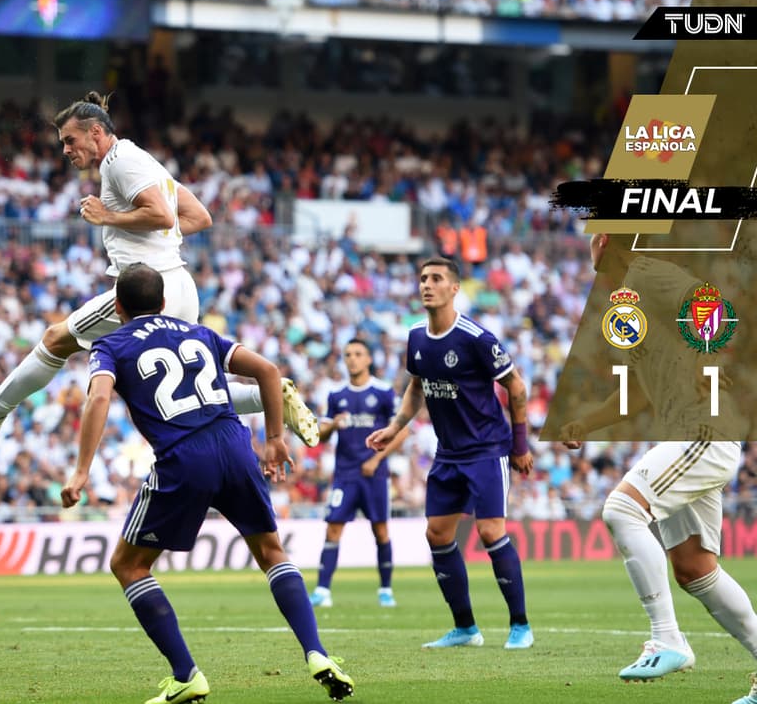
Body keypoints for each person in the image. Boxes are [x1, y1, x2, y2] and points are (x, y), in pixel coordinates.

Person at [0, 91, 319, 448]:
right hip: (178, 285)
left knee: (57, 340)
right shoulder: (139, 160)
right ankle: (269, 399)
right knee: (177, 389)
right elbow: (197, 217)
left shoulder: (119, 162)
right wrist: (151, 235)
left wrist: (109, 216)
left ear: (97, 133)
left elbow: (162, 214)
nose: (66, 150)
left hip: (149, 289)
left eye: (70, 141)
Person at [61, 264, 354, 704]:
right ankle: (317, 653)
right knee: (271, 552)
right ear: (163, 302)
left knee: (129, 565)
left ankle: (186, 675)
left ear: (117, 306)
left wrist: (82, 470)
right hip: (236, 447)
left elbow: (100, 396)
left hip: (184, 457)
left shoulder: (110, 344)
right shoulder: (199, 333)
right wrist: (275, 439)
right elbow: (269, 371)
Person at [560, 234, 757, 701]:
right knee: (694, 569)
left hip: (703, 427)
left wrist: (706, 357)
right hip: (687, 433)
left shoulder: (646, 272)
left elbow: (707, 301)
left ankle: (667, 637)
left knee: (621, 510)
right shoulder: (626, 303)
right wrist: (584, 423)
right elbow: (638, 393)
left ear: (604, 241)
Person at [366, 256, 535, 650]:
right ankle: (465, 628)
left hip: (487, 449)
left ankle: (520, 625)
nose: (427, 284)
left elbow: (518, 387)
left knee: (490, 531)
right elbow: (416, 386)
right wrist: (395, 426)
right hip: (448, 454)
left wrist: (520, 445)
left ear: (454, 288)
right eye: (423, 278)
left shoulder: (477, 338)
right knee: (437, 534)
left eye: (436, 278)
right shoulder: (416, 338)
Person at [309, 339, 408, 609]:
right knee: (333, 528)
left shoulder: (384, 392)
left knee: (381, 530)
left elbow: (402, 431)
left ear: (368, 360)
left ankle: (385, 589)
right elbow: (319, 436)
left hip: (374, 475)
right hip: (345, 474)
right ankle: (321, 590)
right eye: (348, 354)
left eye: (358, 354)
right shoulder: (336, 394)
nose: (352, 358)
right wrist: (333, 426)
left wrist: (377, 460)